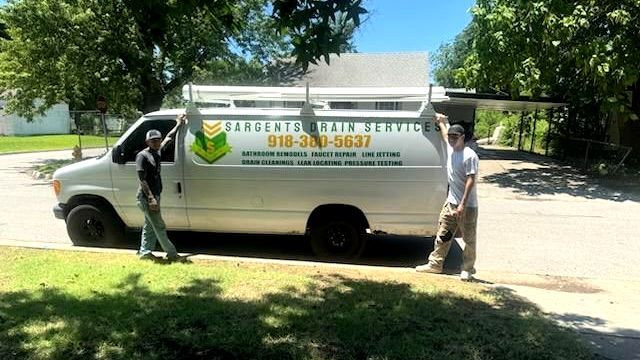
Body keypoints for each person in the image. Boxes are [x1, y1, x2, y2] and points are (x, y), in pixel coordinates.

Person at [416, 114, 479, 281]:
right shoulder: (451, 148)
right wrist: (441, 121)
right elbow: (444, 134)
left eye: (455, 137)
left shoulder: (469, 155)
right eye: (450, 136)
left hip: (467, 206)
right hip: (451, 202)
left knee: (469, 239)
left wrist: (462, 204)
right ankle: (435, 265)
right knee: (443, 234)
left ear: (462, 138)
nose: (451, 139)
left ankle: (468, 269)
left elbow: (470, 181)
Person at [136, 113, 187, 261]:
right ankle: (172, 254)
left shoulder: (157, 152)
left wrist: (178, 124)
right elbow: (142, 179)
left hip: (155, 195)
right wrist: (151, 198)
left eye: (158, 140)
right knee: (159, 226)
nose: (157, 142)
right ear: (147, 141)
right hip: (146, 197)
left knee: (149, 226)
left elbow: (169, 138)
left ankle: (145, 252)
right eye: (153, 140)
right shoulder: (143, 156)